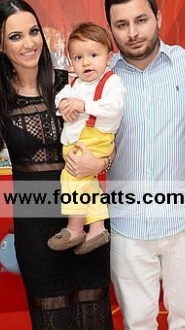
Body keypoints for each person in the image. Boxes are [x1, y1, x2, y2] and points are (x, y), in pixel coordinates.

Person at [0, 0, 114, 329]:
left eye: (33, 32)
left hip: (87, 221)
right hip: (36, 230)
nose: (29, 43)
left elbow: (110, 137)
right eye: (15, 36)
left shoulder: (72, 84)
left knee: (95, 317)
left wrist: (101, 161)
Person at [104, 0, 185, 330]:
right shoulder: (102, 78)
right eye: (121, 24)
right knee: (137, 324)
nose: (133, 33)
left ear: (158, 18)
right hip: (127, 226)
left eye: (141, 20)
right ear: (111, 29)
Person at [47, 22, 125, 255]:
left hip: (96, 139)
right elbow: (59, 99)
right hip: (79, 140)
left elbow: (114, 108)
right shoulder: (75, 83)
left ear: (109, 57)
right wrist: (64, 105)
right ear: (71, 63)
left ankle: (75, 228)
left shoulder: (112, 82)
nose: (86, 62)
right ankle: (98, 228)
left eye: (93, 55)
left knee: (73, 178)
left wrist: (83, 106)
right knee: (88, 185)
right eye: (78, 57)